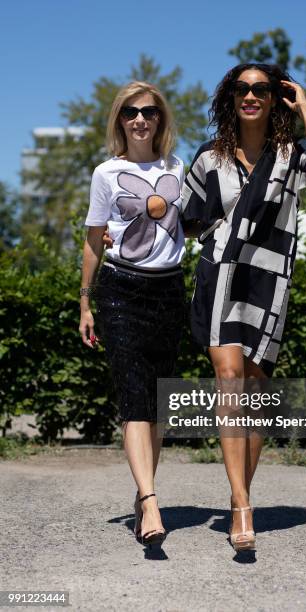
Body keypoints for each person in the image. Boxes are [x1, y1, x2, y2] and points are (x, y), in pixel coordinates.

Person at [181, 62, 306, 551]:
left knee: (254, 396)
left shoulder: (290, 154)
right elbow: (186, 219)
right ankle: (243, 505)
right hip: (222, 274)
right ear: (231, 97)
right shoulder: (210, 158)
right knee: (229, 383)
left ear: (275, 98)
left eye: (261, 89)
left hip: (270, 280)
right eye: (242, 89)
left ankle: (237, 497)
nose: (251, 96)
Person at [79, 81, 186, 548]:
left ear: (160, 119)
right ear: (119, 120)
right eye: (130, 112)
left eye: (148, 111)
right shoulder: (106, 173)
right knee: (133, 397)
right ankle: (150, 499)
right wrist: (85, 301)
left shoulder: (178, 168)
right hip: (120, 290)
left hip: (170, 291)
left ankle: (144, 494)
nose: (140, 119)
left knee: (158, 405)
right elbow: (92, 238)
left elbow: (195, 219)